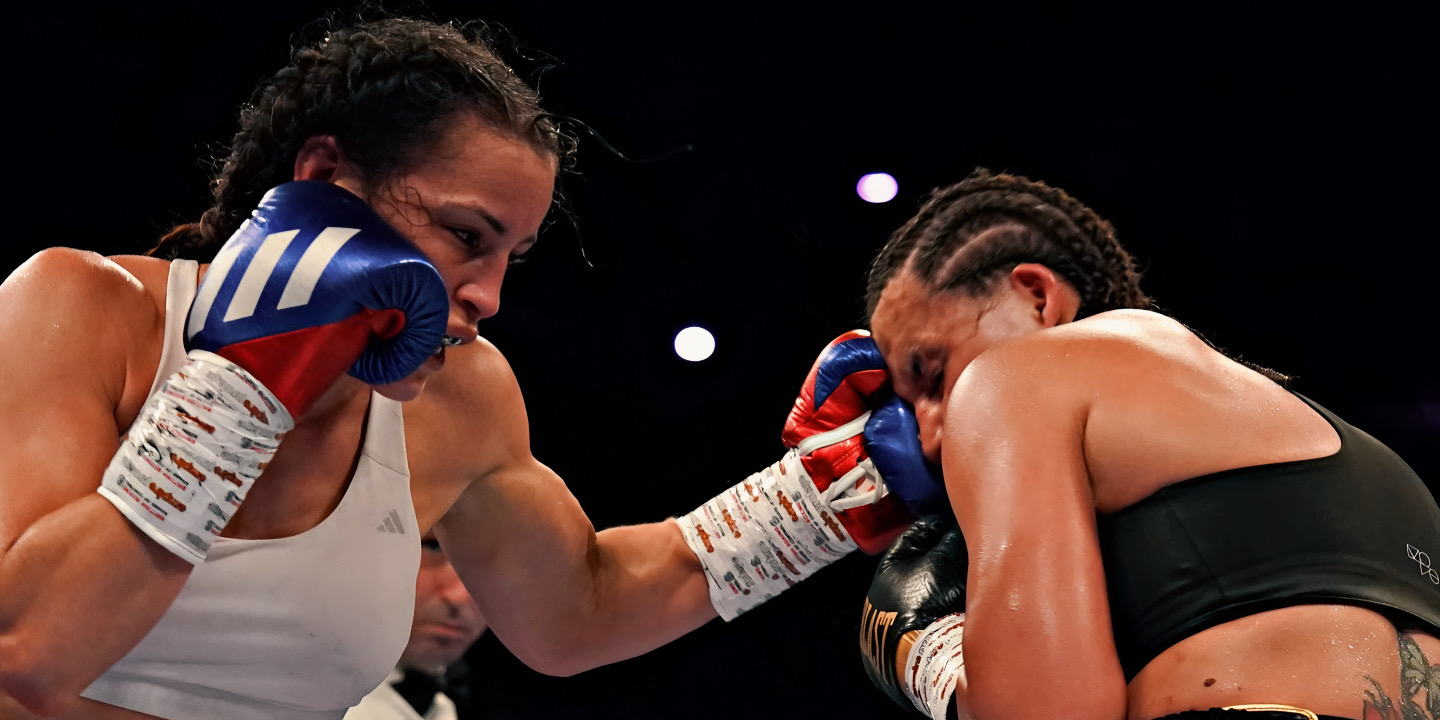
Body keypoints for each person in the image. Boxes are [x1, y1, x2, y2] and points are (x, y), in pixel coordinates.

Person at [0, 14, 942, 720]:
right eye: (463, 235)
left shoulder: (463, 396)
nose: (487, 295)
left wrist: (821, 495)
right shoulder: (87, 313)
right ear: (326, 181)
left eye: (510, 257)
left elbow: (583, 608)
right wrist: (247, 382)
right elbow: (27, 648)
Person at [855, 169, 1440, 720]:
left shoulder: (1014, 378)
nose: (930, 433)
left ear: (1036, 295)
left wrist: (929, 657)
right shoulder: (1380, 470)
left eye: (932, 376)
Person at [345, 535, 486, 720]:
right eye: (432, 546)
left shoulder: (443, 706)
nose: (458, 597)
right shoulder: (307, 699)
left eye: (493, 565)